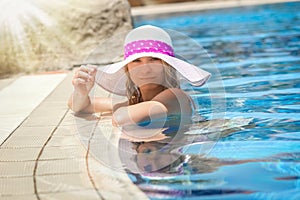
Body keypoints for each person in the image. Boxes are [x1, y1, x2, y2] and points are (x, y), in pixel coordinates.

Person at [68, 25, 210, 128]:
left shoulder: (175, 97)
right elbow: (80, 106)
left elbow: (121, 118)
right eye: (136, 61)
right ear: (127, 69)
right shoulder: (138, 101)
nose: (145, 70)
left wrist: (120, 106)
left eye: (154, 60)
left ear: (168, 65)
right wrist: (81, 92)